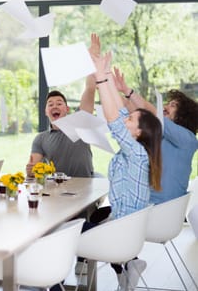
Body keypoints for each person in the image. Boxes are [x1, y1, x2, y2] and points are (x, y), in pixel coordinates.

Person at [87, 50, 162, 290]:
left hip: (121, 234)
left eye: (131, 121)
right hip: (124, 228)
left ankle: (124, 264)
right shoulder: (137, 152)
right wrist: (106, 74)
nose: (125, 119)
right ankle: (127, 266)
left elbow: (115, 121)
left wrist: (100, 78)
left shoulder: (138, 155)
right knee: (90, 218)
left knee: (61, 231)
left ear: (138, 133)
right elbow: (119, 114)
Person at [113, 71, 198, 204]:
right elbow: (135, 112)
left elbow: (151, 113)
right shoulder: (163, 134)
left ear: (184, 114)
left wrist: (127, 91)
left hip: (159, 210)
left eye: (173, 105)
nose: (165, 107)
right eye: (167, 103)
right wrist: (111, 89)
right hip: (150, 205)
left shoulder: (189, 140)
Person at [26, 34, 98, 178]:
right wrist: (30, 171)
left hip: (85, 187)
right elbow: (33, 171)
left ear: (67, 109)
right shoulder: (41, 139)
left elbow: (90, 89)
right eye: (50, 104)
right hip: (57, 190)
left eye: (59, 103)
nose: (54, 106)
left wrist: (92, 59)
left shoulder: (80, 124)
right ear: (46, 111)